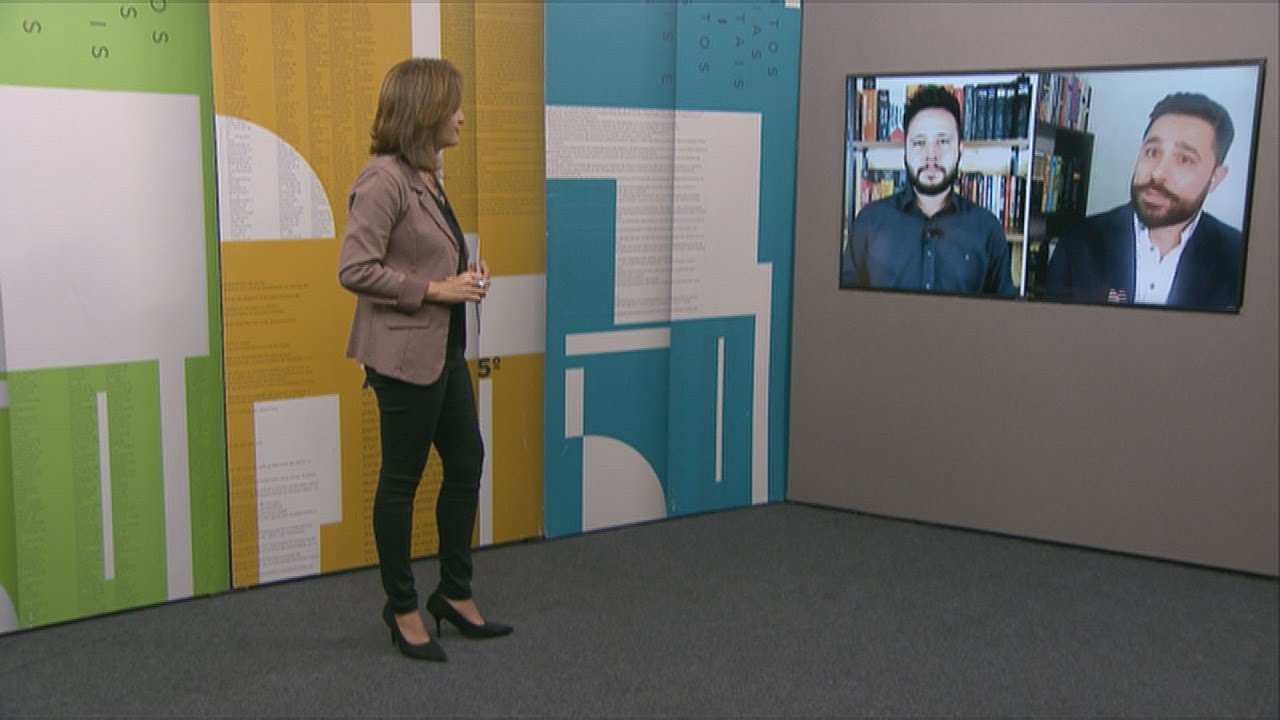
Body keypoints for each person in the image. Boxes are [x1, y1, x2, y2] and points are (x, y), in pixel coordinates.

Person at [338, 57, 512, 662]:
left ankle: (454, 593)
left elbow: (421, 253)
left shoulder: (426, 175)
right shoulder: (382, 179)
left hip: (443, 349)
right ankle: (403, 606)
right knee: (401, 483)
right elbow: (354, 269)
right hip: (403, 357)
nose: (461, 116)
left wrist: (464, 275)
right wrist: (439, 289)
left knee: (466, 462)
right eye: (453, 106)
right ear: (425, 111)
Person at [1043, 92, 1242, 311]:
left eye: (1184, 159)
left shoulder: (1239, 258)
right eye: (1152, 152)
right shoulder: (1079, 241)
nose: (1157, 173)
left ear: (1215, 178)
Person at [842, 85, 1016, 297]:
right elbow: (845, 307)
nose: (931, 155)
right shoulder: (870, 222)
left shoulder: (987, 229)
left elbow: (1003, 313)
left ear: (959, 149)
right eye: (919, 143)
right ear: (905, 150)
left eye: (943, 141)